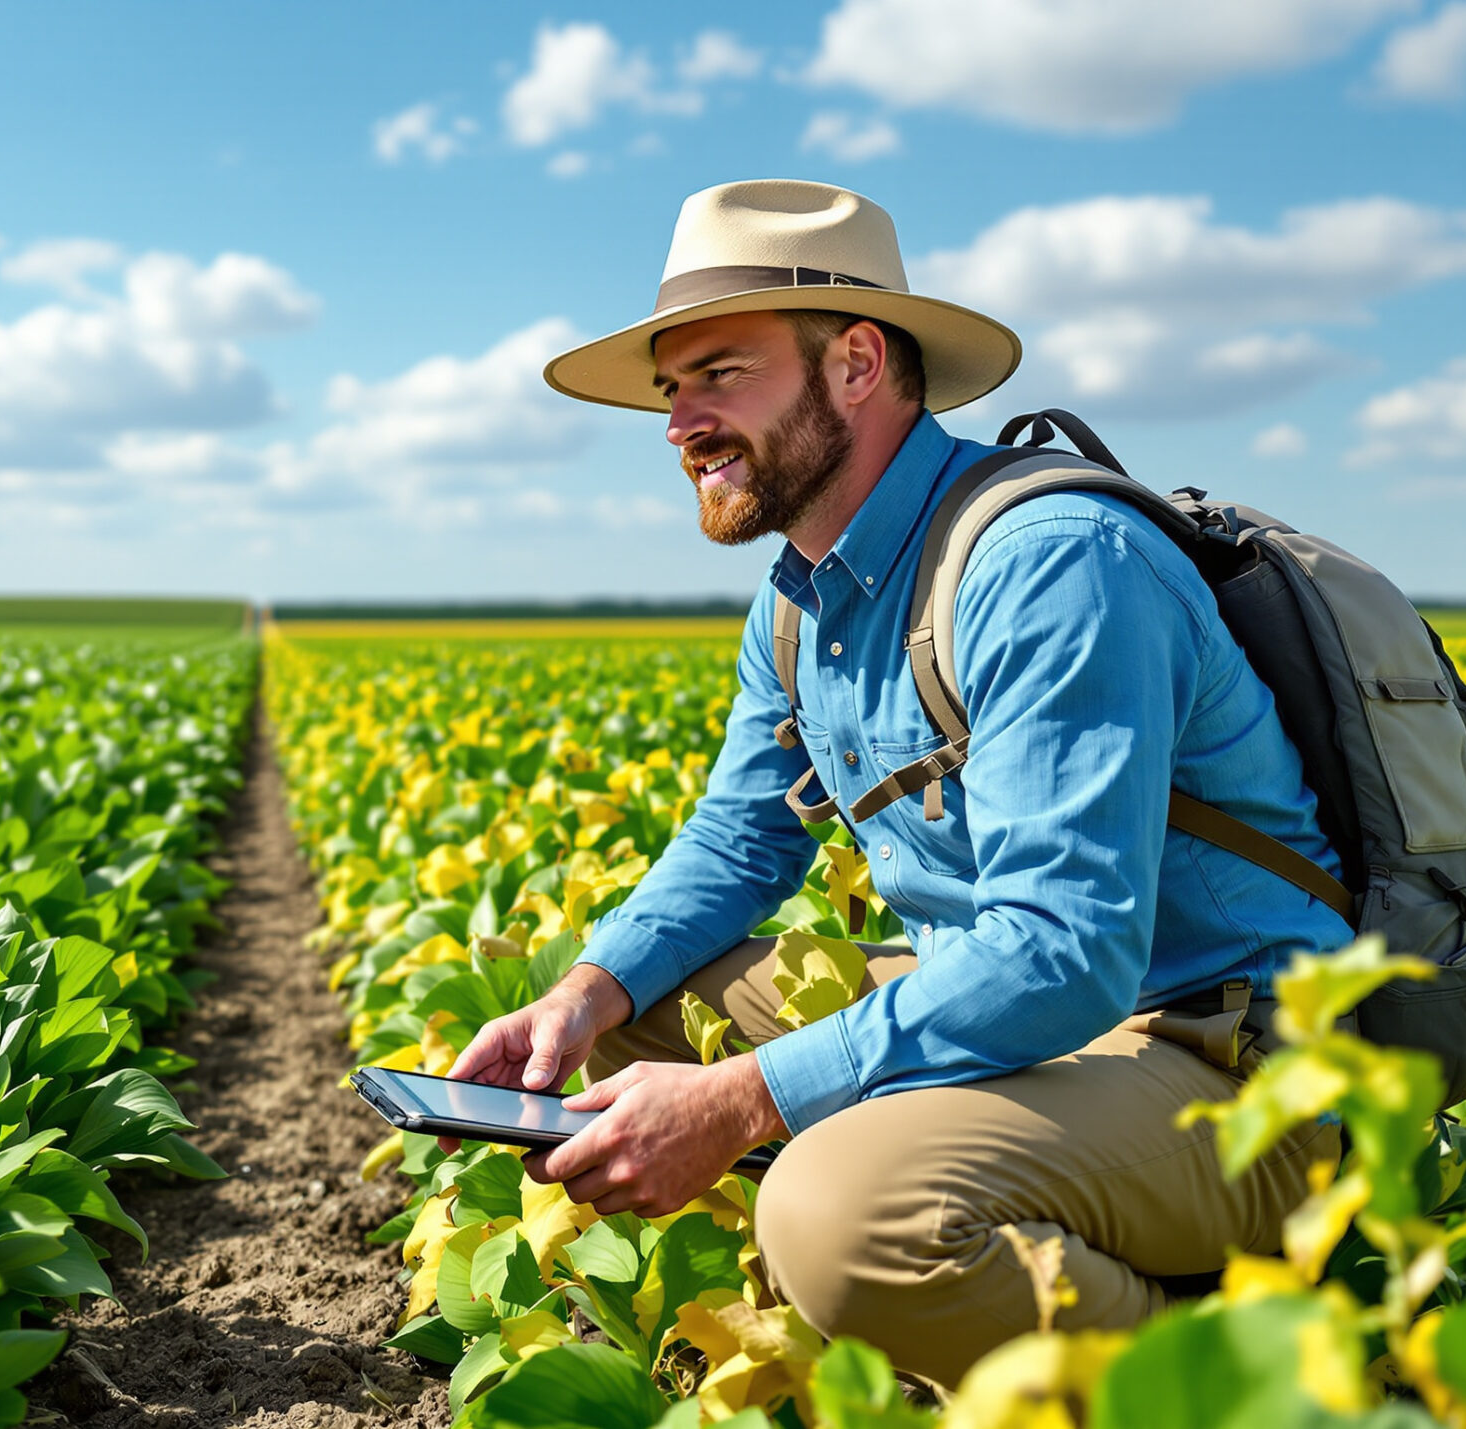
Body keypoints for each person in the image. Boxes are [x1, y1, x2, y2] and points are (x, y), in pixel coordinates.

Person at [441, 179, 1350, 1387]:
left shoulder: (1049, 563)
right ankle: (979, 1298)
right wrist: (585, 991)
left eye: (719, 374)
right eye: (671, 391)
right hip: (1048, 1027)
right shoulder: (799, 594)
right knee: (643, 1022)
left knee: (840, 1215)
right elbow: (737, 844)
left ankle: (1259, 1381)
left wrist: (745, 1098)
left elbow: (1062, 951)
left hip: (1232, 1065)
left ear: (858, 363)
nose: (680, 425)